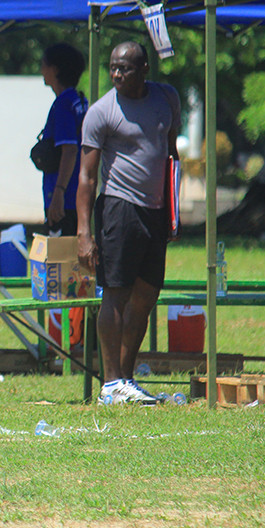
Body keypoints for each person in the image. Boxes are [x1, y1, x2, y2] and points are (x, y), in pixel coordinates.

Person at [77, 41, 180, 405]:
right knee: (116, 294)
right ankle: (110, 383)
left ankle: (126, 378)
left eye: (126, 69)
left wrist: (173, 210)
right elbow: (87, 177)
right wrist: (84, 232)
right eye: (113, 68)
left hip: (155, 212)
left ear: (145, 70)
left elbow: (171, 154)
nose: (118, 75)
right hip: (119, 209)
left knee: (146, 296)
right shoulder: (101, 112)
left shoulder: (166, 98)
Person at [39, 43, 89, 236]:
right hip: (79, 191)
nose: (42, 70)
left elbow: (69, 150)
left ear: (55, 69)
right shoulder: (79, 100)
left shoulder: (63, 104)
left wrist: (59, 192)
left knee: (60, 261)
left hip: (65, 197)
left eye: (44, 64)